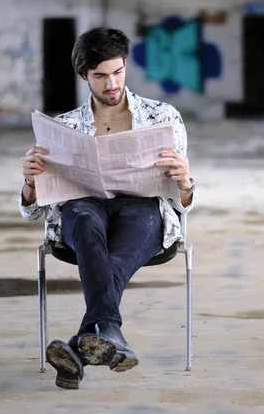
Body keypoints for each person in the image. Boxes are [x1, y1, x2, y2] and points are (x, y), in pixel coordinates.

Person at [19, 27, 195, 390]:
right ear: (84, 75)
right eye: (100, 76)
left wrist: (186, 183)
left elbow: (183, 204)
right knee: (82, 218)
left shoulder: (162, 117)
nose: (111, 83)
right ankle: (108, 335)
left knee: (132, 229)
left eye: (117, 72)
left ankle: (80, 346)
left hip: (142, 209)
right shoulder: (63, 127)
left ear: (126, 66)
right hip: (84, 208)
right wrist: (31, 184)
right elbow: (32, 211)